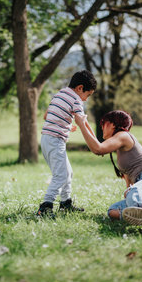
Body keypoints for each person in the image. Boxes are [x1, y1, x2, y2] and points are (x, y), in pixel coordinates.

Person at [74, 110, 142, 232]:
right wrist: (84, 123)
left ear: (112, 124)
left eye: (103, 123)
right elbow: (129, 186)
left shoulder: (123, 136)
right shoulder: (120, 147)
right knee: (113, 211)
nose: (101, 127)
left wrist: (81, 125)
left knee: (134, 191)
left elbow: (98, 149)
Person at [37, 70, 97, 217]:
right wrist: (95, 141)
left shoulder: (60, 93)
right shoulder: (76, 99)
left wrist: (67, 126)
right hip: (55, 140)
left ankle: (65, 203)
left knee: (67, 173)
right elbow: (82, 120)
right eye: (87, 95)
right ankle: (46, 206)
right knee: (61, 175)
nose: (85, 100)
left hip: (46, 139)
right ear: (80, 88)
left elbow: (47, 116)